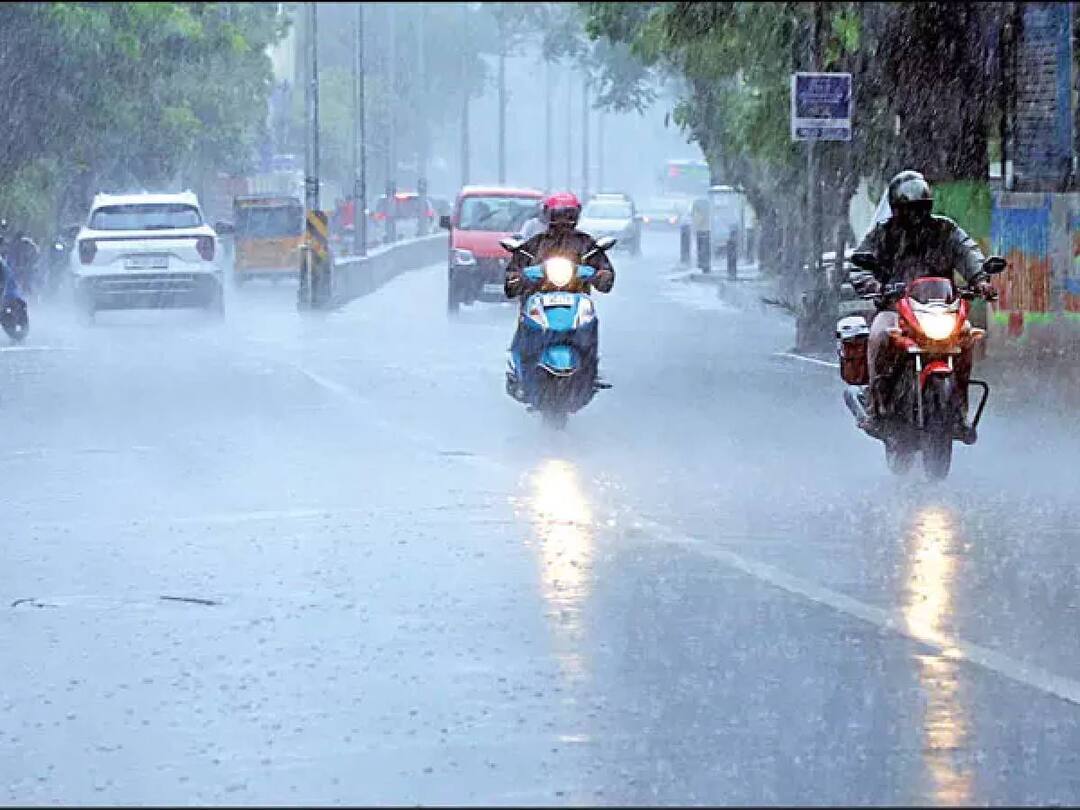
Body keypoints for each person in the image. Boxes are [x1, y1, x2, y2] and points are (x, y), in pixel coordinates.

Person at [850, 170, 997, 440]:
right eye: (908, 209)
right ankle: (875, 401)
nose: (914, 216)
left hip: (941, 308)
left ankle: (959, 408)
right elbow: (860, 264)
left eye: (920, 208)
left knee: (965, 337)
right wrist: (877, 286)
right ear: (896, 210)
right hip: (895, 308)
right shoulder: (883, 234)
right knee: (879, 335)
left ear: (929, 207)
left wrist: (980, 280)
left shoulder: (945, 230)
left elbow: (968, 252)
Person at [504, 191, 615, 394]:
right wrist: (519, 277)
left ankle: (591, 369)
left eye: (569, 214)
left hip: (575, 299)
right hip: (539, 299)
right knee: (526, 322)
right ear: (547, 215)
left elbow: (605, 274)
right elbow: (512, 277)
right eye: (558, 214)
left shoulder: (586, 244)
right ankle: (520, 368)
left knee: (590, 323)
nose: (563, 220)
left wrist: (600, 275)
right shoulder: (534, 244)